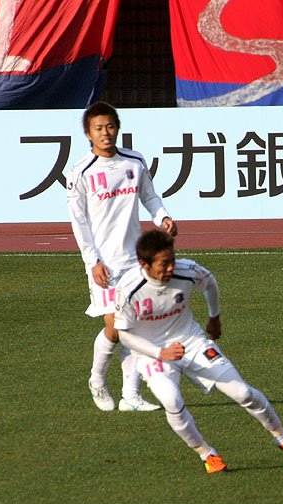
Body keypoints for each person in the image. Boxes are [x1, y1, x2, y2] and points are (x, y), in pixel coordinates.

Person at [113, 230, 283, 474]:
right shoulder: (129, 289)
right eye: (164, 264)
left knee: (243, 392)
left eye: (172, 259)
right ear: (144, 264)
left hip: (192, 342)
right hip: (153, 354)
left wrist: (214, 316)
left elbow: (210, 283)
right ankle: (206, 453)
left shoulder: (187, 270)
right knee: (171, 401)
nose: (171, 267)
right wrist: (161, 352)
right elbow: (124, 335)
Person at [66, 101, 177, 412]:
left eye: (110, 126)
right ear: (88, 134)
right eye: (98, 128)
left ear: (117, 128)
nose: (106, 133)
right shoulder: (80, 173)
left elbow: (149, 196)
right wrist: (93, 262)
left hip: (134, 260)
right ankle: (97, 380)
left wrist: (162, 217)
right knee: (115, 329)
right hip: (105, 264)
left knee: (136, 327)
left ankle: (131, 396)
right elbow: (79, 222)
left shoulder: (134, 161)